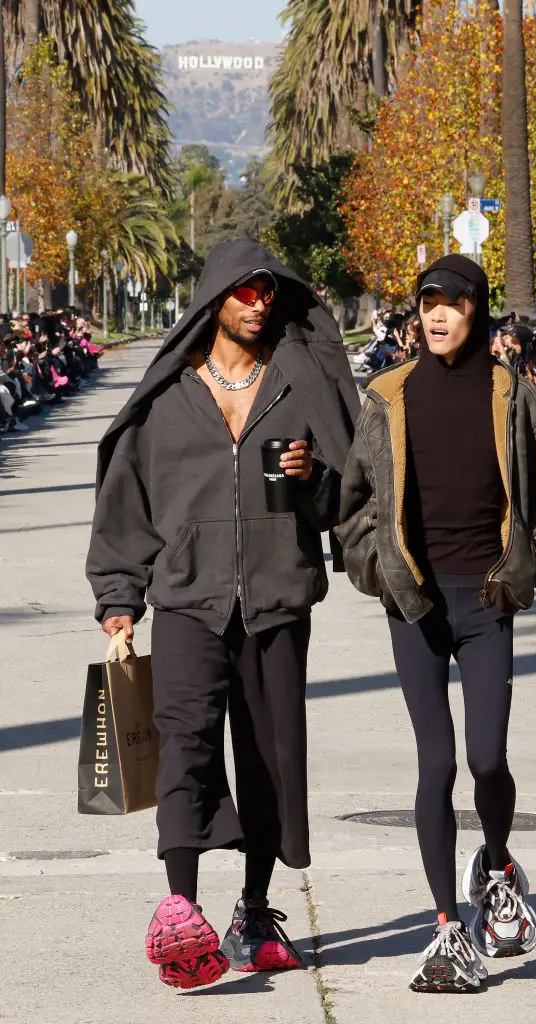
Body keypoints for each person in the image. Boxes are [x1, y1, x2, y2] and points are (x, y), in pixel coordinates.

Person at [86, 239, 359, 991]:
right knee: (185, 745)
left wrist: (311, 481)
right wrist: (118, 597)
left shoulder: (298, 382)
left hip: (276, 601)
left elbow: (344, 500)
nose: (258, 302)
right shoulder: (169, 395)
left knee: (269, 758)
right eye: (243, 291)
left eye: (267, 290)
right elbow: (125, 503)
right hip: (186, 600)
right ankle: (180, 908)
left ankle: (254, 907)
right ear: (214, 299)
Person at [335, 255, 536, 994]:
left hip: (483, 601)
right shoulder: (386, 394)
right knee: (436, 763)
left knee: (485, 760)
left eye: (450, 303)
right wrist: (376, 571)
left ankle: (499, 864)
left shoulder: (512, 396)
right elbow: (354, 507)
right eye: (426, 304)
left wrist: (526, 568)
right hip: (413, 602)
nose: (436, 316)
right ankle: (447, 928)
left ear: (476, 310)